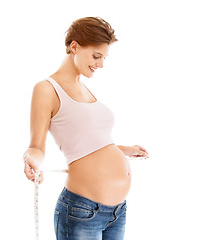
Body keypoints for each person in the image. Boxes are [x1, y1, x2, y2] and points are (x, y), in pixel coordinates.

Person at [23, 16, 149, 240]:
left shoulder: (85, 88)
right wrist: (31, 160)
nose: (101, 64)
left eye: (104, 57)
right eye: (96, 56)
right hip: (81, 212)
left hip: (118, 212)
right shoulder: (46, 89)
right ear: (74, 46)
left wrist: (121, 149)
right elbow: (36, 146)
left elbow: (87, 140)